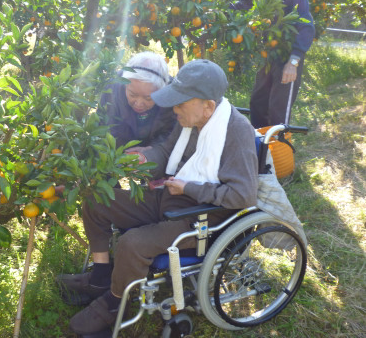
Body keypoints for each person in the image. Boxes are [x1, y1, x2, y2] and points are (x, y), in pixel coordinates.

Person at [59, 59, 259, 336]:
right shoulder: (189, 120)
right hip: (171, 196)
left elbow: (243, 195)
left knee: (133, 243)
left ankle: (117, 304)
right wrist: (143, 158)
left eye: (180, 103)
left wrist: (189, 188)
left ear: (208, 106)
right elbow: (166, 152)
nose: (173, 109)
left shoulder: (236, 132)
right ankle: (101, 277)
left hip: (202, 219)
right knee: (97, 202)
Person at [230, 0, 315, 128]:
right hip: (268, 55)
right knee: (258, 103)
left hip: (289, 56)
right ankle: (260, 147)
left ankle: (277, 151)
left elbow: (306, 28)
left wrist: (293, 62)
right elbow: (239, 8)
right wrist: (216, 14)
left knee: (279, 110)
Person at [100, 51, 176, 151]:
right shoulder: (112, 90)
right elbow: (103, 129)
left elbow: (170, 133)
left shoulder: (172, 97)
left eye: (148, 98)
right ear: (125, 85)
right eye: (132, 94)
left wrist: (152, 151)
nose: (139, 103)